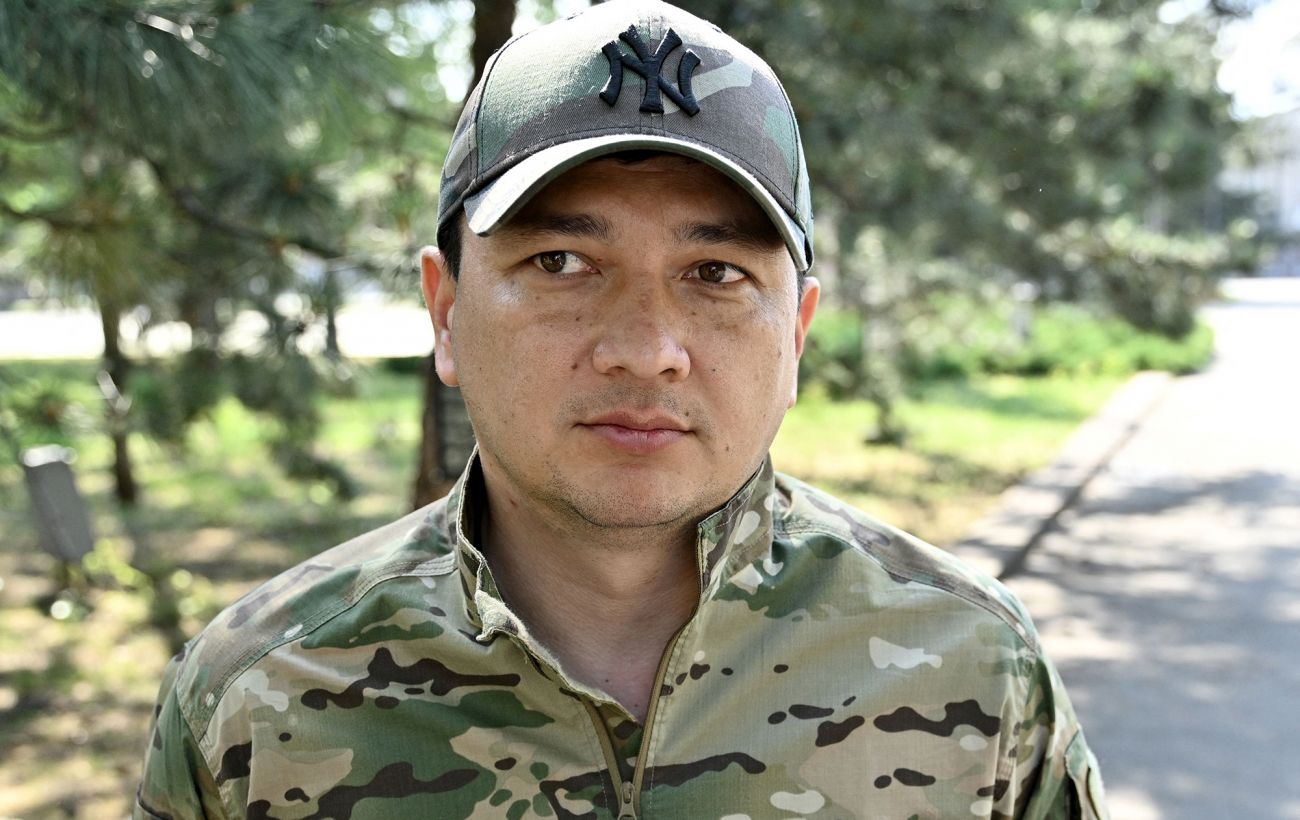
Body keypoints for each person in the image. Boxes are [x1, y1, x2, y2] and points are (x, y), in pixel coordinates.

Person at [135, 1, 1109, 817]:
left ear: (797, 333)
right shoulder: (256, 699)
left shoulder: (975, 671)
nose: (645, 349)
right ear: (446, 311)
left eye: (715, 272)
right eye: (561, 262)